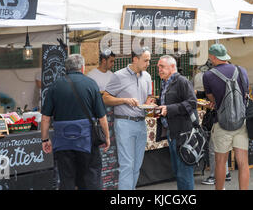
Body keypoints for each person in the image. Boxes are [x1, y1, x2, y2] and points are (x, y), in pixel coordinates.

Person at [41, 54, 110, 190]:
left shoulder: (54, 86)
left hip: (63, 143)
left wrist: (45, 140)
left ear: (66, 68)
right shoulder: (91, 84)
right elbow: (102, 117)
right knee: (91, 177)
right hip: (87, 141)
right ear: (82, 67)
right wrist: (106, 137)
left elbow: (45, 118)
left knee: (67, 179)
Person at [102, 47, 154, 190]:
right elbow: (105, 98)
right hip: (124, 123)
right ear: (135, 59)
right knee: (127, 165)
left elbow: (148, 97)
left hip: (141, 123)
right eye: (146, 60)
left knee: (136, 166)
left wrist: (149, 103)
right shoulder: (119, 75)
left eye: (149, 60)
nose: (148, 63)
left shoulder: (148, 76)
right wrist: (124, 100)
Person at [203, 44, 250, 190]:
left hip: (221, 122)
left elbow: (212, 99)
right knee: (243, 163)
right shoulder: (241, 70)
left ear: (213, 57)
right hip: (241, 122)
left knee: (220, 162)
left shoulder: (208, 75)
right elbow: (246, 93)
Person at [155, 55, 197, 190]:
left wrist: (169, 109)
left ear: (172, 67)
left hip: (183, 133)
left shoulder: (182, 81)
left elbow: (192, 103)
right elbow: (169, 102)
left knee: (184, 173)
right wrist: (155, 103)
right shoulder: (165, 82)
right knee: (178, 172)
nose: (159, 69)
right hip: (172, 133)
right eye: (158, 67)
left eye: (162, 66)